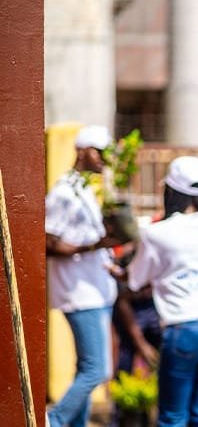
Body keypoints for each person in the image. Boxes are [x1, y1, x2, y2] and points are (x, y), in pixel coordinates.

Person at [126, 156, 198, 426]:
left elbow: (134, 280)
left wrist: (120, 273)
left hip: (185, 328)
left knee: (173, 419)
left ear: (170, 190)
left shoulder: (157, 233)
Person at [46, 125, 121, 427]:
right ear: (81, 151)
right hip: (79, 294)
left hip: (97, 289)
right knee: (96, 371)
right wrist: (95, 245)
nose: (104, 158)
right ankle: (54, 420)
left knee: (86, 368)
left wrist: (109, 259)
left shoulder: (84, 188)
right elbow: (48, 242)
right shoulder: (64, 192)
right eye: (98, 151)